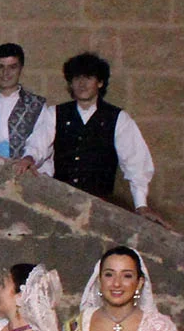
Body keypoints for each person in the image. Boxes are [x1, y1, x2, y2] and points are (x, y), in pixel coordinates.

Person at [39, 52, 161, 218]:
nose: (82, 84)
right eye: (77, 78)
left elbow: (136, 162)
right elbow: (38, 146)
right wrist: (30, 158)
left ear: (100, 82)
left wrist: (141, 204)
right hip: (60, 204)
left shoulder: (118, 118)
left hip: (98, 207)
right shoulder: (54, 113)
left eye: (88, 78)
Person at [0, 43, 47, 164]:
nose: (6, 73)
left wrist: (29, 158)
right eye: (0, 67)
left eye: (12, 67)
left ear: (21, 68)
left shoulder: (37, 105)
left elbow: (40, 141)